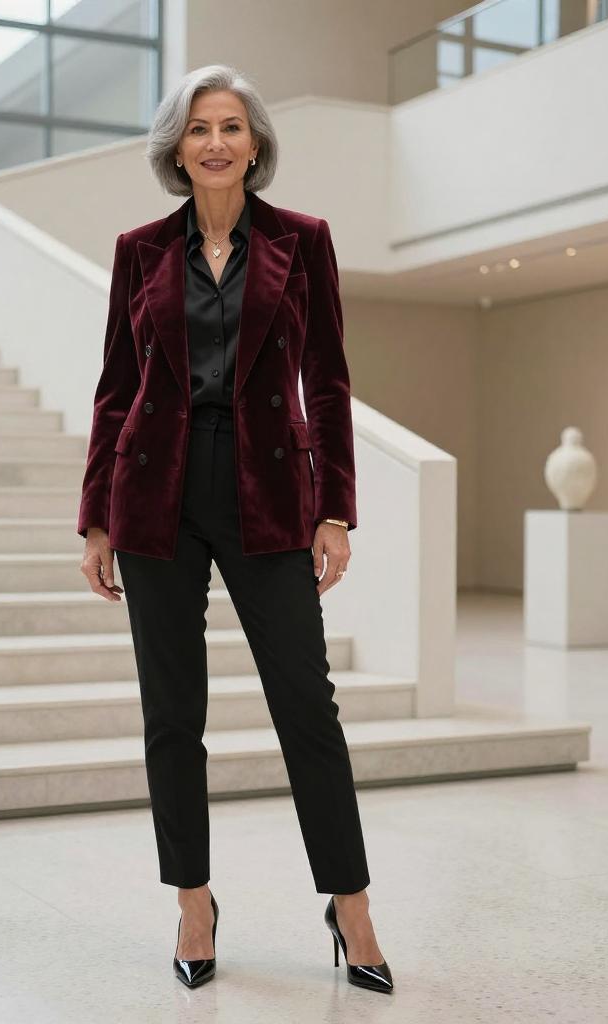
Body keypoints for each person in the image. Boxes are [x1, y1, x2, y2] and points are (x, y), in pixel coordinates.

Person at [76, 64, 392, 995]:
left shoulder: (306, 242)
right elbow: (115, 389)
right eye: (198, 128)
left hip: (269, 493)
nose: (215, 142)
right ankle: (193, 901)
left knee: (308, 708)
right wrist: (96, 517)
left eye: (231, 126)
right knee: (173, 714)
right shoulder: (140, 250)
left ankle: (351, 904)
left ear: (255, 144)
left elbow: (328, 382)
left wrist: (335, 507)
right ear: (177, 148)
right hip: (154, 494)